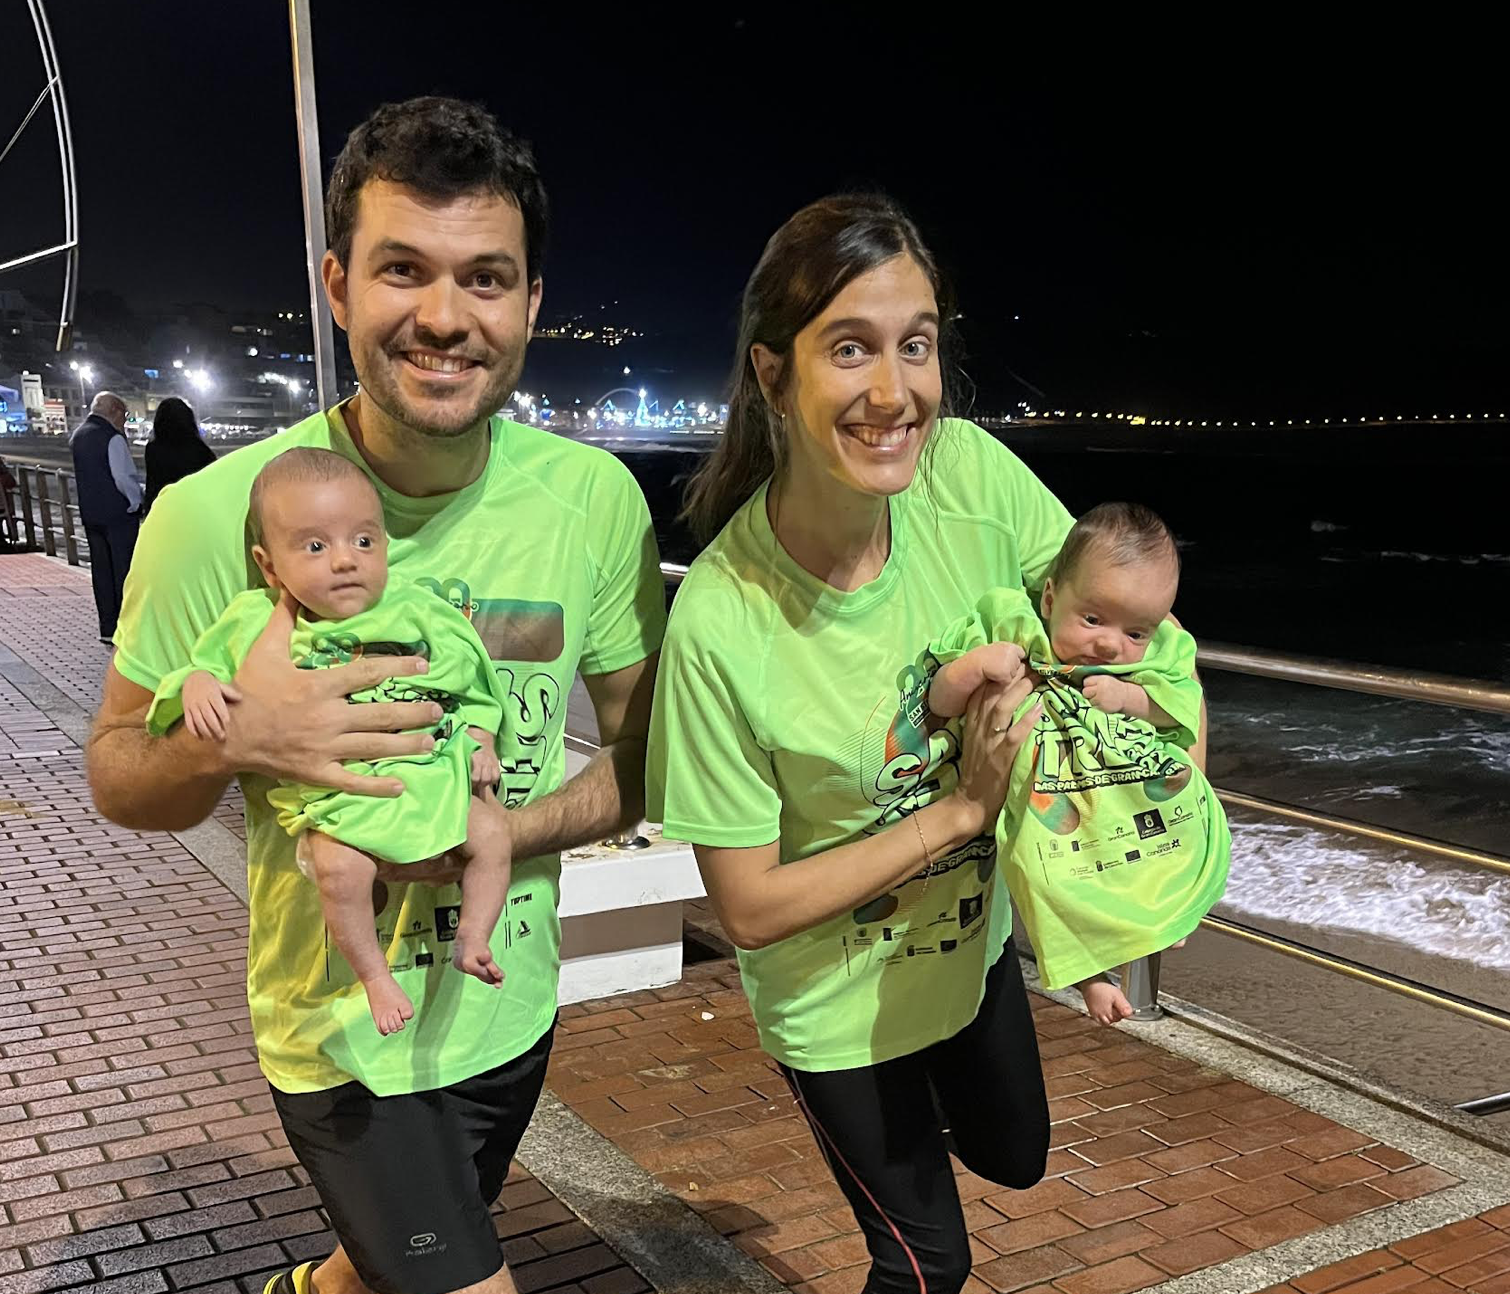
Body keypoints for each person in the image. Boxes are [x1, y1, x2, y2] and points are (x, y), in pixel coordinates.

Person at [86, 96, 666, 1294]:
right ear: (340, 283)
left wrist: (495, 828)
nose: (446, 317)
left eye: (485, 279)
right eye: (405, 270)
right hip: (346, 1026)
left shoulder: (596, 499)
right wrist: (244, 739)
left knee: (378, 1270)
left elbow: (642, 755)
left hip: (509, 1002)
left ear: (531, 304)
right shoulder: (221, 514)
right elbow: (115, 774)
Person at [648, 194, 1074, 1294]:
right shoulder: (723, 620)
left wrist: (1133, 691)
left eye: (915, 345)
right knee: (928, 1260)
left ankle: (904, 1130)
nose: (894, 393)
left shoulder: (968, 475)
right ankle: (874, 1138)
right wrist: (960, 812)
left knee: (1018, 1158)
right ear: (773, 376)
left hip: (966, 951)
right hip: (833, 998)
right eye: (850, 348)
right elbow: (744, 908)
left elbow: (1105, 610)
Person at [147, 448, 515, 1036]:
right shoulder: (254, 619)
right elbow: (201, 668)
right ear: (269, 566)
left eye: (364, 542)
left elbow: (472, 680)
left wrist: (480, 735)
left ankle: (473, 935)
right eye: (315, 547)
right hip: (337, 800)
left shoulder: (419, 610)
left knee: (494, 833)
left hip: (429, 777)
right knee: (338, 870)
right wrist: (194, 686)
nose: (345, 561)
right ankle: (374, 975)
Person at [928, 501, 1230, 1026]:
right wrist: (975, 665)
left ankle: (1168, 914)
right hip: (1050, 791)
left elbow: (1179, 706)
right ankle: (1088, 977)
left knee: (1166, 843)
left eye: (1136, 633)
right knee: (1047, 875)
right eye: (1093, 619)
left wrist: (1132, 699)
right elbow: (938, 700)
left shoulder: (1158, 655)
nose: (1111, 643)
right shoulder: (1013, 627)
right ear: (1049, 597)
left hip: (1123, 782)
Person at [69, 390, 141, 642]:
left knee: (100, 571)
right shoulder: (112, 437)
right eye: (125, 414)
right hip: (117, 514)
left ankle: (107, 626)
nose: (125, 421)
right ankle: (126, 627)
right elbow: (123, 477)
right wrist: (135, 502)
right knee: (123, 570)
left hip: (91, 513)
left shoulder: (78, 435)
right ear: (114, 411)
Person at [143, 395, 215, 512]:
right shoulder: (200, 450)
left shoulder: (152, 449)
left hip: (162, 508)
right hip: (192, 508)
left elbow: (152, 484)